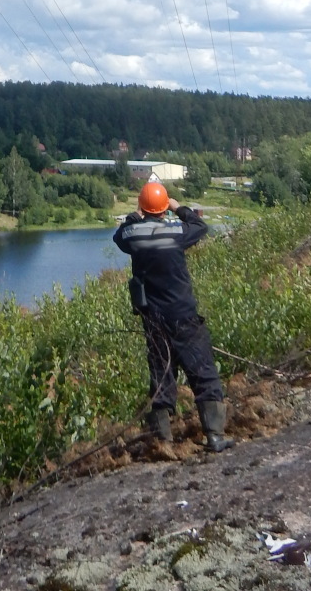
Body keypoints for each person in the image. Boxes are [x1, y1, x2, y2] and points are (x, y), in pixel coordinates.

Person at [112, 177, 234, 452]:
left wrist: (134, 217)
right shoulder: (177, 232)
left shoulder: (133, 236)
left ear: (143, 208)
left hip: (153, 320)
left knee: (161, 376)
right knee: (202, 373)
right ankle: (214, 436)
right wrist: (180, 208)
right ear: (164, 208)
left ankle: (163, 441)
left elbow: (119, 236)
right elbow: (201, 227)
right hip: (184, 316)